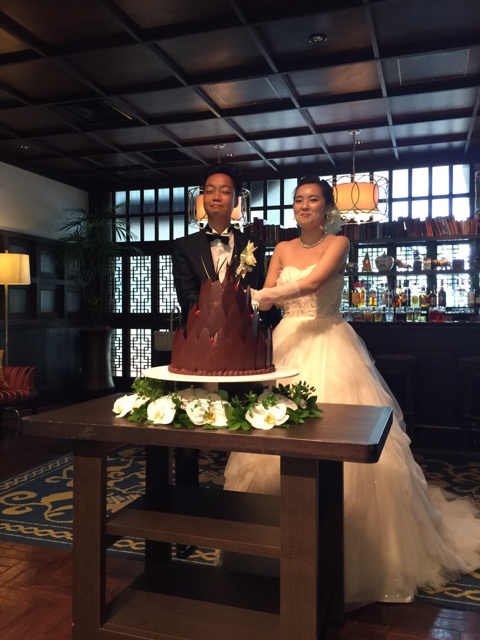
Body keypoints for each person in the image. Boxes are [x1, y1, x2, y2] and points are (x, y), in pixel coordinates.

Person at [223, 175, 480, 606]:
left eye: (313, 200)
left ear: (327, 208)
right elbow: (270, 301)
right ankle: (273, 543)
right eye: (298, 200)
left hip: (329, 340)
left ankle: (352, 550)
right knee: (274, 432)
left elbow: (309, 285)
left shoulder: (339, 243)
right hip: (286, 343)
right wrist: (248, 295)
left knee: (339, 434)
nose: (304, 206)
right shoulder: (282, 248)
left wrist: (260, 294)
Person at [171, 162, 278, 558]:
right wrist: (213, 317)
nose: (217, 196)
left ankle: (246, 518)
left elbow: (259, 292)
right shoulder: (184, 245)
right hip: (197, 347)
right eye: (210, 190)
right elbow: (186, 294)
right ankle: (185, 523)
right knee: (187, 437)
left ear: (236, 200)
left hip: (240, 350)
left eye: (225, 190)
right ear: (202, 197)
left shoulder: (254, 244)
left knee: (247, 431)